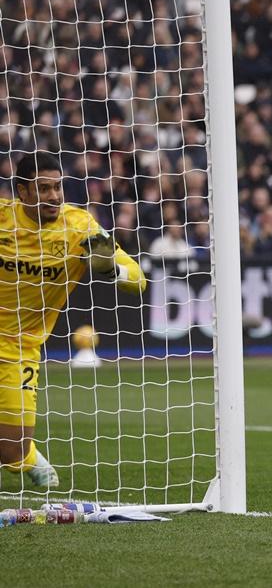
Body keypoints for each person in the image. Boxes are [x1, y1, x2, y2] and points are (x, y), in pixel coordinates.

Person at [0, 152, 147, 488]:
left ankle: (29, 456)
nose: (54, 195)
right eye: (43, 188)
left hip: (20, 346)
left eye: (57, 187)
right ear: (22, 192)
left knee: (11, 453)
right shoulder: (3, 217)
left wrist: (110, 268)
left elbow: (138, 280)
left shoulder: (80, 228)